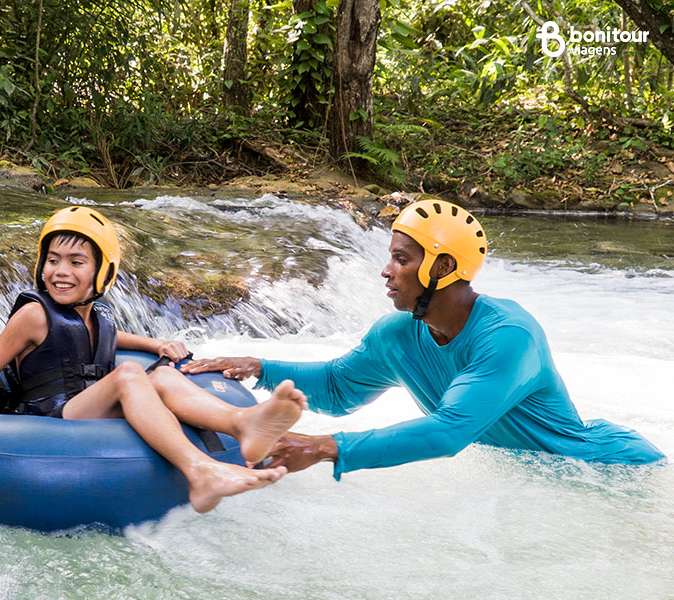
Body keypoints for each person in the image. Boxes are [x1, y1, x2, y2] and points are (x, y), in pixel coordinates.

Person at [182, 198, 665, 479]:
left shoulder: (510, 337)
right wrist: (257, 367)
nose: (386, 271)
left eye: (402, 259)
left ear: (444, 267)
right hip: (539, 478)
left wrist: (327, 447)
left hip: (613, 471)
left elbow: (448, 431)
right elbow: (337, 387)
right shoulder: (399, 335)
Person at [0, 206, 307, 512]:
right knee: (130, 375)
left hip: (87, 407)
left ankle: (242, 423)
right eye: (52, 260)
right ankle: (199, 471)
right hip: (47, 418)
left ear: (103, 273)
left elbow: (106, 338)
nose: (60, 271)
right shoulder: (33, 316)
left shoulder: (98, 313)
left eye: (76, 262)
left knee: (162, 377)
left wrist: (155, 343)